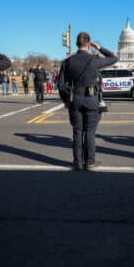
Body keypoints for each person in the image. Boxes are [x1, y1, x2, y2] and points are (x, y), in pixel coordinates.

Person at [57, 32, 118, 170]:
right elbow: (114, 58)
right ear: (89, 44)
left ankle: (77, 162)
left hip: (75, 100)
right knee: (90, 132)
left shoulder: (67, 61)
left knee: (77, 132)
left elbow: (60, 85)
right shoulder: (94, 59)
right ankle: (89, 162)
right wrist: (100, 48)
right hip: (91, 99)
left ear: (77, 44)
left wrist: (66, 100)